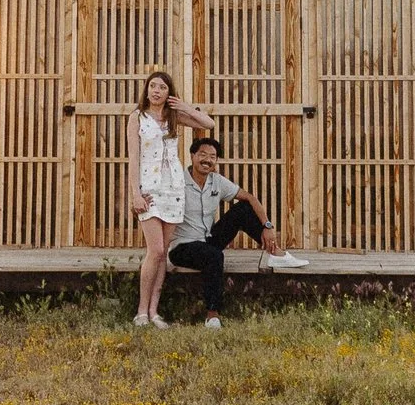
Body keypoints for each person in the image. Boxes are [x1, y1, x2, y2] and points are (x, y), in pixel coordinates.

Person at [165, 134, 307, 327]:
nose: (207, 160)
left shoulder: (216, 181)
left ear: (216, 161)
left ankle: (276, 253)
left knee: (243, 208)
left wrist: (267, 226)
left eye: (212, 157)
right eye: (202, 154)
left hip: (206, 239)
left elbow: (250, 197)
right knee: (214, 256)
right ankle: (212, 315)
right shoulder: (177, 180)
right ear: (192, 156)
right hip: (182, 246)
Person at [129, 66, 211, 327]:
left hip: (174, 189)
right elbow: (133, 158)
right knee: (154, 250)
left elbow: (209, 123)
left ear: (169, 93)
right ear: (147, 89)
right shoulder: (137, 118)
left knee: (163, 252)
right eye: (153, 86)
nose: (157, 91)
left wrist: (185, 106)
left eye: (163, 87)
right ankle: (141, 311)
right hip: (149, 191)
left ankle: (155, 311)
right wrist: (135, 194)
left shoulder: (174, 117)